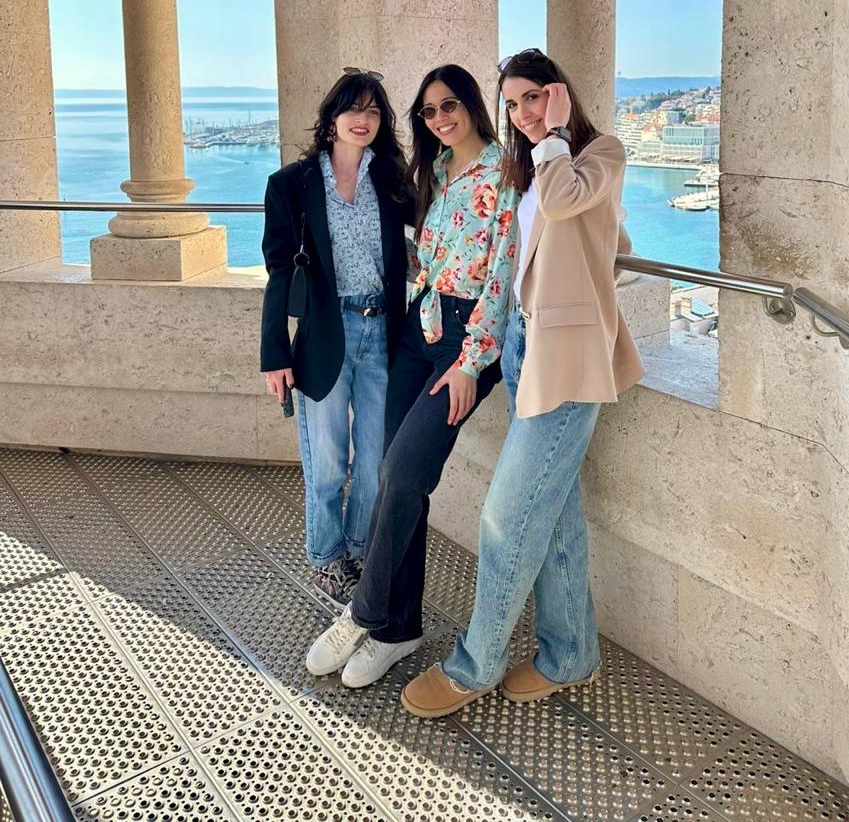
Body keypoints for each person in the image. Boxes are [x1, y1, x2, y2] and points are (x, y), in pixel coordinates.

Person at [399, 48, 644, 717]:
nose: (521, 113)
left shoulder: (598, 153)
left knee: (506, 518)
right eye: (511, 104)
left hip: (568, 361)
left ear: (558, 94)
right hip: (520, 347)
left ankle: (474, 665)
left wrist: (555, 135)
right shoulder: (528, 167)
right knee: (553, 514)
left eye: (532, 97)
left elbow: (571, 205)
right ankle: (571, 656)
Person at [304, 64, 518, 688]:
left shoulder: (506, 172)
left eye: (449, 105)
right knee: (392, 477)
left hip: (463, 342)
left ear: (473, 104)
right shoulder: (439, 171)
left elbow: (502, 275)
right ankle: (399, 629)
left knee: (403, 472)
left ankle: (362, 613)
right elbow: (426, 255)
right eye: (428, 111)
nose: (440, 118)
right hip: (415, 330)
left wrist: (471, 363)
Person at [260, 68, 411, 604]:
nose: (362, 119)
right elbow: (280, 271)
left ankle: (359, 548)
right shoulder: (291, 185)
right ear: (331, 119)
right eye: (352, 108)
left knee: (374, 459)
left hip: (383, 333)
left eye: (373, 111)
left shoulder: (392, 181)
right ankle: (326, 558)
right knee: (326, 461)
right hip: (327, 333)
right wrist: (275, 353)